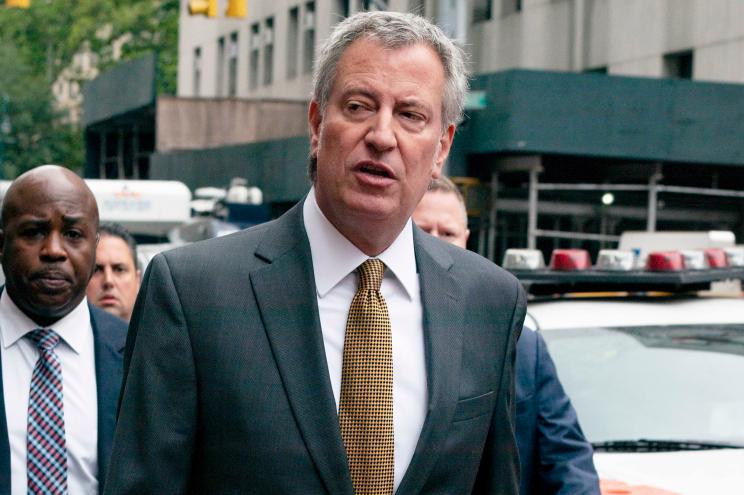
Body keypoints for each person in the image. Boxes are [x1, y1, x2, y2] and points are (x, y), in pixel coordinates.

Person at [105, 11, 526, 495]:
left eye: (410, 115)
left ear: (442, 147)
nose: (382, 135)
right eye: (359, 106)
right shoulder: (194, 294)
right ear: (316, 121)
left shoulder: (490, 301)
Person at [412, 177, 601, 495]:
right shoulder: (370, 332)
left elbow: (566, 460)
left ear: (466, 238)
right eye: (422, 231)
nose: (437, 243)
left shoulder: (522, 345)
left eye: (447, 233)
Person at [0, 165, 127, 494]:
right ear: (2, 244)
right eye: (33, 232)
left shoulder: (139, 351)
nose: (53, 250)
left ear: (94, 245)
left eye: (73, 234)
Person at [86, 223, 141, 321]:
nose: (108, 281)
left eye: (119, 269)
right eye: (96, 270)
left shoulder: (162, 335)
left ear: (137, 280)